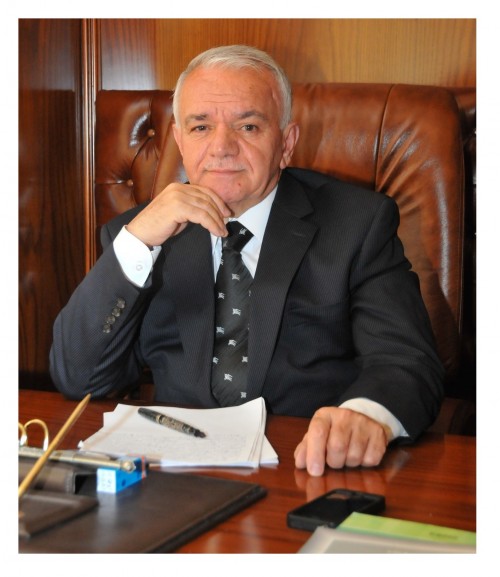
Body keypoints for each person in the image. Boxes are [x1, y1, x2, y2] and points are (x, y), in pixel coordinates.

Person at [50, 45, 444, 476]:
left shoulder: (356, 224)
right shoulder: (140, 236)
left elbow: (405, 361)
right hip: (174, 476)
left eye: (249, 126)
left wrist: (365, 416)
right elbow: (81, 379)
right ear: (180, 141)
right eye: (201, 127)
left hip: (307, 468)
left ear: (286, 143)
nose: (221, 147)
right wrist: (137, 244)